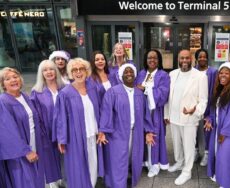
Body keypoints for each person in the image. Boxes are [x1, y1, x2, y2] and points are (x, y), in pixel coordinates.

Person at [97, 64, 156, 187]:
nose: (129, 74)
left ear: (135, 75)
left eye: (131, 72)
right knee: (118, 159)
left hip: (136, 132)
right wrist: (103, 130)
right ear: (121, 76)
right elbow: (106, 112)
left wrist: (148, 131)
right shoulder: (113, 92)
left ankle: (130, 179)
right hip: (118, 133)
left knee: (133, 157)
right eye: (126, 72)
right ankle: (117, 184)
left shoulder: (139, 94)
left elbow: (145, 115)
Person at [52, 58, 103, 188]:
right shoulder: (65, 93)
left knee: (93, 164)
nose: (78, 72)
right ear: (71, 73)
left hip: (93, 134)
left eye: (82, 69)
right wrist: (61, 139)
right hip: (75, 137)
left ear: (87, 71)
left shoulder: (94, 87)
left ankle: (91, 185)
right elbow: (60, 118)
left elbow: (103, 109)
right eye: (75, 70)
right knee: (78, 167)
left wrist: (103, 130)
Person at [164, 49, 208, 185]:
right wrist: (166, 114)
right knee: (176, 143)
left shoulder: (200, 76)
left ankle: (187, 171)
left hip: (189, 118)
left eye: (187, 58)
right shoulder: (172, 74)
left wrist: (195, 110)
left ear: (192, 59)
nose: (184, 61)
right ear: (178, 59)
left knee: (188, 146)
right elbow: (167, 97)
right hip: (174, 116)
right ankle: (179, 162)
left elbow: (203, 100)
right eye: (182, 58)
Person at [0, 67, 44, 188]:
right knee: (25, 181)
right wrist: (26, 151)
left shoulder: (24, 96)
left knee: (37, 178)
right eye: (8, 79)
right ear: (3, 84)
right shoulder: (3, 101)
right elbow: (7, 132)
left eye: (15, 77)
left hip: (33, 142)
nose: (13, 80)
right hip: (19, 151)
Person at [205, 62, 230, 188]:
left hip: (228, 133)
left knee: (227, 158)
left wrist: (225, 132)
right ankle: (219, 175)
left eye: (226, 73)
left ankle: (225, 183)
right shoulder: (220, 89)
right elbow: (215, 111)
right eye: (221, 73)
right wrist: (209, 119)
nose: (223, 76)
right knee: (218, 154)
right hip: (218, 129)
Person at [136, 49, 170, 177]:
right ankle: (145, 161)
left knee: (154, 136)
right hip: (141, 111)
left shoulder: (163, 75)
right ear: (146, 59)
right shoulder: (141, 74)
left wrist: (145, 89)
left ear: (159, 60)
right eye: (149, 58)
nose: (152, 60)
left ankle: (154, 164)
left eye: (155, 58)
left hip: (155, 112)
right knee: (142, 135)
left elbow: (163, 93)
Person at [31, 60, 65, 187]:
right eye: (45, 70)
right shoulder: (37, 92)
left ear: (55, 71)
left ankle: (65, 180)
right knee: (50, 160)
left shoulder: (65, 88)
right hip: (47, 132)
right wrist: (43, 135)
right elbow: (36, 118)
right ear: (41, 73)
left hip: (65, 131)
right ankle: (53, 183)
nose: (49, 72)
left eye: (51, 69)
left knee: (65, 158)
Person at [194, 49, 218, 166]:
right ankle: (196, 151)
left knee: (208, 129)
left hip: (209, 104)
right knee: (194, 130)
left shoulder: (213, 72)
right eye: (200, 56)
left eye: (204, 56)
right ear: (196, 58)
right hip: (195, 105)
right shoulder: (193, 71)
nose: (202, 58)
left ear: (207, 58)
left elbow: (216, 89)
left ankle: (207, 154)